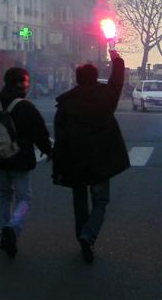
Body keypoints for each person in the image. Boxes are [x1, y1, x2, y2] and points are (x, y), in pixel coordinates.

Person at [52, 49, 130, 264]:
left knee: (79, 201)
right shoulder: (105, 98)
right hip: (100, 160)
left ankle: (82, 236)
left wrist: (57, 167)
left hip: (75, 161)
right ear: (96, 78)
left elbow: (60, 140)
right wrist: (117, 59)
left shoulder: (66, 105)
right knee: (100, 200)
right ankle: (89, 234)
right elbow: (116, 81)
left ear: (77, 79)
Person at [0, 67, 52, 258]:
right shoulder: (25, 106)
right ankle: (13, 226)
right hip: (20, 158)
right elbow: (40, 133)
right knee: (24, 198)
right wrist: (48, 150)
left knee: (4, 195)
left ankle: (4, 231)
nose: (27, 85)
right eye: (26, 81)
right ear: (19, 83)